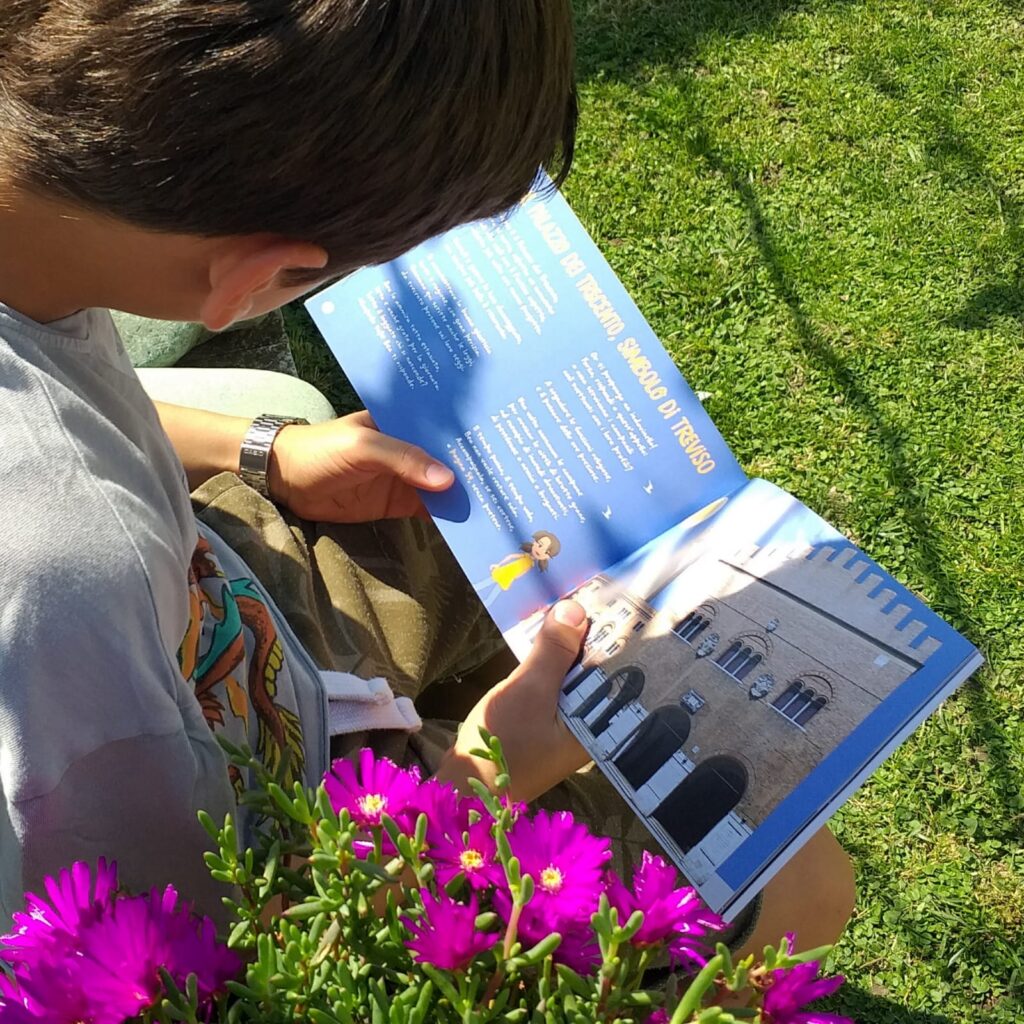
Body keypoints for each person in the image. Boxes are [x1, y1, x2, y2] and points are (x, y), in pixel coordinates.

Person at [0, 0, 853, 955]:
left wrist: (268, 449)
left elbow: (54, 399)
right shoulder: (64, 576)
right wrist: (488, 775)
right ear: (254, 284)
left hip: (227, 599)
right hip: (291, 832)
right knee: (804, 889)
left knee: (526, 524)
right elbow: (199, 959)